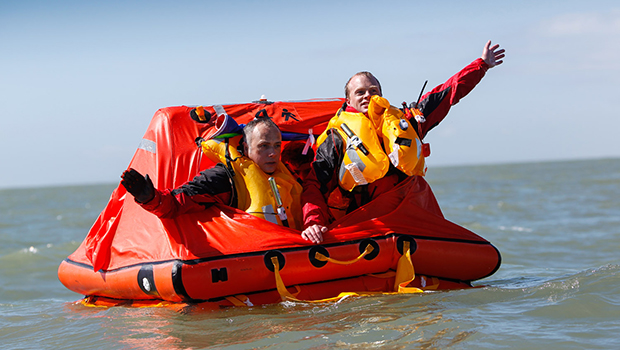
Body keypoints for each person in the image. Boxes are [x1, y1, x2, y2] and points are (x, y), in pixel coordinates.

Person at [301, 40, 506, 243]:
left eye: (373, 91)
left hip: (408, 217)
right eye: (360, 92)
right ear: (348, 101)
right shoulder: (335, 137)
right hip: (364, 224)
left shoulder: (406, 122)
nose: (367, 96)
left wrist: (481, 65)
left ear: (381, 95)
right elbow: (315, 184)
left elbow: (446, 94)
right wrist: (313, 222)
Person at [121, 116, 304, 230]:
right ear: (246, 148)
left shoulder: (290, 171)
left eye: (277, 146)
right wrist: (150, 198)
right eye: (263, 146)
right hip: (256, 259)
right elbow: (181, 200)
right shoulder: (225, 177)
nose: (272, 153)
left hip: (296, 251)